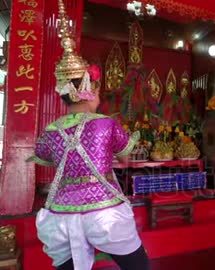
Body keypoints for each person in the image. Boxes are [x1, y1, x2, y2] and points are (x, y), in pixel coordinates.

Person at [26, 1, 149, 269]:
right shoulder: (105, 124)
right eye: (96, 88)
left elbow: (44, 157)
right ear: (87, 89)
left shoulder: (51, 131)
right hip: (104, 213)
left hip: (60, 216)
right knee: (139, 266)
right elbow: (126, 153)